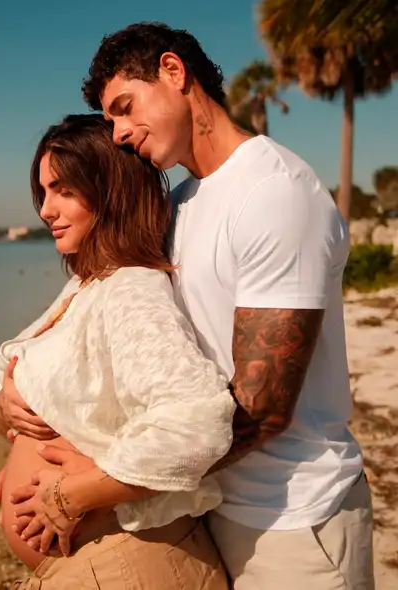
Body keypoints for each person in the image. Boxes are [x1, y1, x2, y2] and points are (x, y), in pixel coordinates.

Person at [33, 22, 371, 588]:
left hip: (294, 518)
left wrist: (103, 478)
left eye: (124, 107)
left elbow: (263, 407)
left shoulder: (276, 193)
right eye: (110, 119)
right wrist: (17, 388)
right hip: (207, 503)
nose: (116, 133)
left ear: (173, 71)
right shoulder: (182, 201)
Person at [0, 114, 235, 588]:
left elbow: (198, 421)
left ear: (110, 192)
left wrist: (74, 494)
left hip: (129, 563)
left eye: (64, 191)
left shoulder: (132, 289)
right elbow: (20, 376)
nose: (45, 210)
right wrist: (3, 403)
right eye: (44, 192)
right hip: (100, 564)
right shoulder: (89, 284)